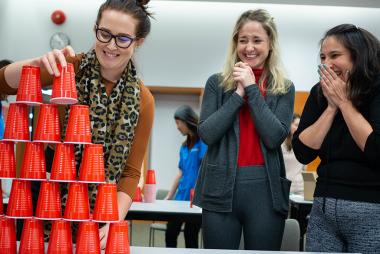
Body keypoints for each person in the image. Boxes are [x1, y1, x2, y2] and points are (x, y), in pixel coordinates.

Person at [0, 0, 154, 248]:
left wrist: (113, 219)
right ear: (95, 29)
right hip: (46, 207)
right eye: (104, 34)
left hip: (98, 213)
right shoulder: (68, 68)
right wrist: (36, 65)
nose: (111, 46)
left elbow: (130, 172)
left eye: (123, 39)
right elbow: (2, 83)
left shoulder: (143, 99)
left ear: (138, 41)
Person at [193, 9, 295, 250]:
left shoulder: (284, 88)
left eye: (257, 40)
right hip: (219, 186)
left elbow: (273, 137)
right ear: (235, 43)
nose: (249, 47)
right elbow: (207, 133)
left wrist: (251, 88)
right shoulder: (216, 83)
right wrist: (238, 94)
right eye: (243, 40)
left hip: (266, 191)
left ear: (270, 44)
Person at [292, 24, 380, 252]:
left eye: (335, 55)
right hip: (323, 209)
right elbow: (303, 151)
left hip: (371, 210)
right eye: (323, 57)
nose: (326, 64)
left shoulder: (376, 90)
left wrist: (344, 103)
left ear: (357, 57)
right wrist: (331, 108)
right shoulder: (319, 93)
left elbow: (375, 150)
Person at [164, 105, 207, 248]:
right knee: (170, 233)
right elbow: (180, 173)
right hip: (180, 198)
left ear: (186, 121)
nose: (177, 127)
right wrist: (169, 196)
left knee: (191, 236)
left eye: (178, 123)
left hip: (194, 201)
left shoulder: (203, 143)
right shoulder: (184, 146)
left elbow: (204, 170)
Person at [281, 113, 304, 195]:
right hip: (285, 188)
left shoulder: (303, 144)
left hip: (301, 189)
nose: (299, 128)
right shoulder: (281, 144)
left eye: (300, 126)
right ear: (289, 125)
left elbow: (304, 168)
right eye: (296, 125)